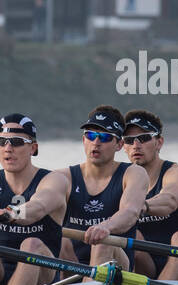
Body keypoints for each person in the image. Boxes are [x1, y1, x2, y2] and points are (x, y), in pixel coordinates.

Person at [0, 113, 69, 285]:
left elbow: (37, 208)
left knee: (31, 244)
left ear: (33, 148)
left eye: (17, 142)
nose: (8, 148)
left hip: (44, 277)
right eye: (1, 142)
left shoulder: (54, 180)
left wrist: (10, 214)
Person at [59, 106, 149, 271]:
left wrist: (106, 227)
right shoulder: (63, 177)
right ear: (83, 140)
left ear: (119, 145)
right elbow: (37, 203)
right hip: (72, 264)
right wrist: (8, 213)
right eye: (91, 135)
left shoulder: (134, 173)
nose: (96, 142)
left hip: (116, 264)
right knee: (53, 241)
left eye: (105, 137)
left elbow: (130, 212)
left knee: (104, 241)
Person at [121, 109, 178, 280]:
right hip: (146, 265)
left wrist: (141, 206)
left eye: (144, 138)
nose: (136, 145)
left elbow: (170, 200)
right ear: (123, 146)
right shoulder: (123, 179)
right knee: (127, 236)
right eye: (129, 140)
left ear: (159, 142)